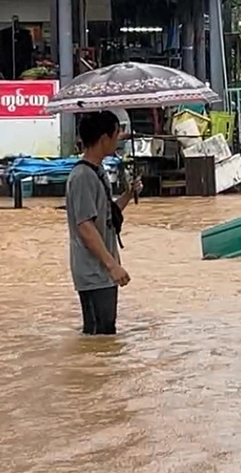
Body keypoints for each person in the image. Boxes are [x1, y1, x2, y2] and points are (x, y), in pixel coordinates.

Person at [65, 111, 142, 335]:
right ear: (104, 139)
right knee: (99, 333)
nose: (118, 140)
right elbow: (85, 227)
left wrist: (128, 194)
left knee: (104, 337)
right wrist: (112, 265)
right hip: (93, 272)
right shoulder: (82, 177)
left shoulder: (97, 172)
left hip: (102, 271)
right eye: (116, 135)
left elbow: (106, 215)